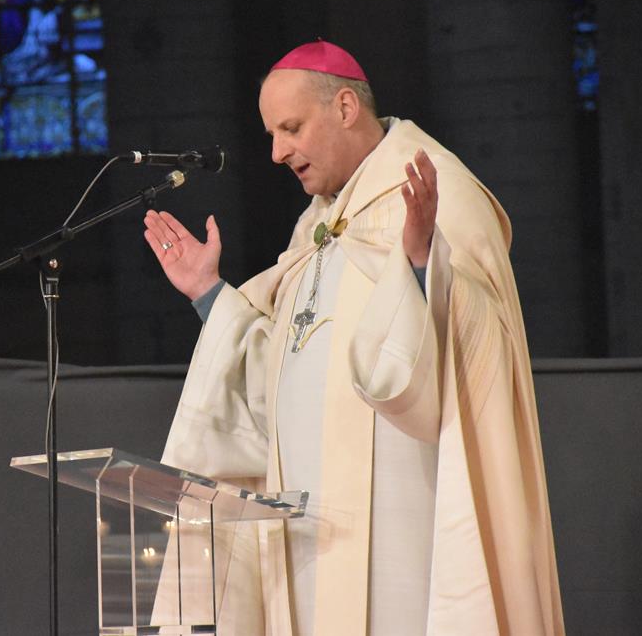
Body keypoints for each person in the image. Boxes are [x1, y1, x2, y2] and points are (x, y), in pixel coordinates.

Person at [142, 40, 564, 635]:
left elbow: (473, 355)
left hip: (403, 521)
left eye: (290, 129)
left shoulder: (435, 191)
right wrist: (209, 293)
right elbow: (277, 383)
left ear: (344, 107)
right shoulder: (316, 227)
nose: (276, 152)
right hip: (304, 529)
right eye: (271, 134)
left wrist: (421, 265)